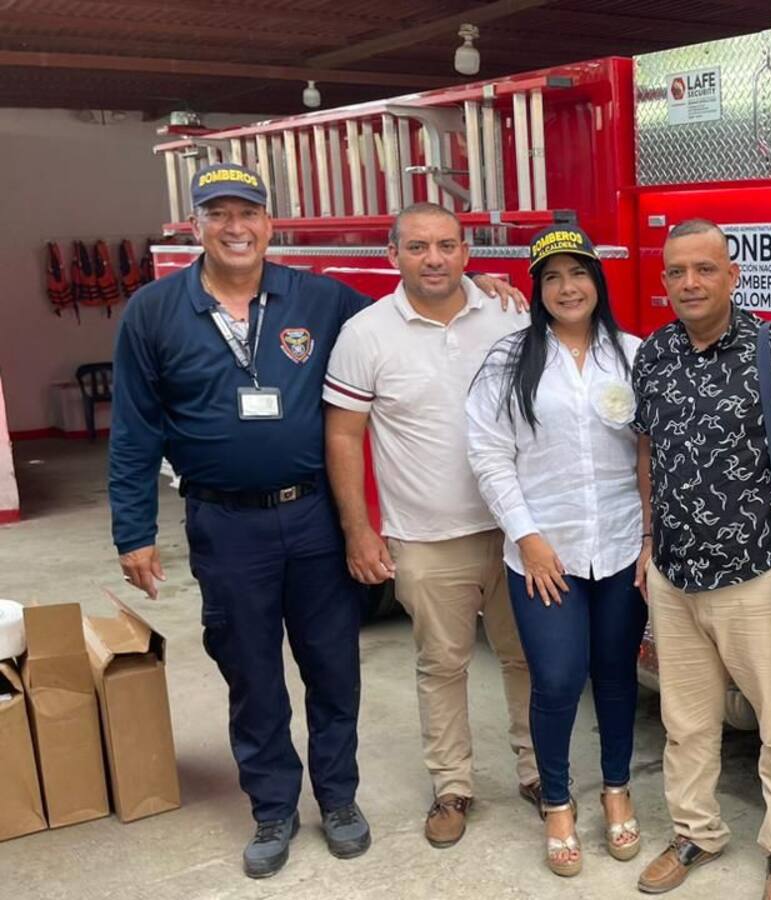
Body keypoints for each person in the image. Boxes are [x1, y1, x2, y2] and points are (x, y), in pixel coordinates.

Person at [110, 167, 523, 879]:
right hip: (223, 521)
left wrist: (482, 284)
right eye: (220, 215)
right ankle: (272, 809)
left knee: (332, 665)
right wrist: (133, 529)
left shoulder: (320, 299)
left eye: (249, 214)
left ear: (271, 225)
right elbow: (135, 430)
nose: (235, 227)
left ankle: (338, 800)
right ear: (196, 225)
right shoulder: (152, 313)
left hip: (312, 518)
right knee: (251, 670)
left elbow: (414, 300)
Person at [323, 202, 538, 851]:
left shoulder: (510, 313)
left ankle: (538, 772)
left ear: (468, 254)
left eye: (447, 245)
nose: (435, 258)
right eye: (418, 247)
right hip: (423, 537)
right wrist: (360, 532)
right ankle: (453, 787)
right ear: (394, 255)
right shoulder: (366, 333)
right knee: (441, 664)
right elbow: (343, 435)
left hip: (515, 531)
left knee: (526, 657)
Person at [631, 220, 771, 900]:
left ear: (732, 274)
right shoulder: (654, 354)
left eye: (704, 269)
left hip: (758, 574)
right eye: (676, 272)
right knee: (685, 723)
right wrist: (649, 541)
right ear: (664, 282)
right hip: (675, 573)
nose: (689, 282)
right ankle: (695, 832)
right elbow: (647, 454)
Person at [466, 226, 648, 877]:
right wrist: (528, 535)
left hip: (622, 546)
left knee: (617, 676)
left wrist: (651, 538)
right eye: (552, 277)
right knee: (559, 679)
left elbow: (651, 455)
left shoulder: (634, 356)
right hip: (545, 556)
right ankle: (558, 803)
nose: (567, 287)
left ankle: (618, 790)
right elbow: (489, 455)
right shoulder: (509, 362)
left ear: (598, 282)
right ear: (538, 290)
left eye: (578, 273)